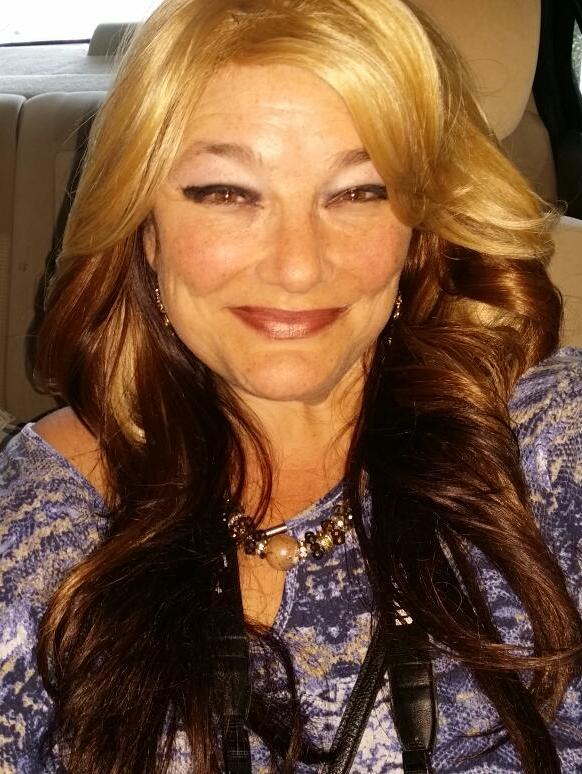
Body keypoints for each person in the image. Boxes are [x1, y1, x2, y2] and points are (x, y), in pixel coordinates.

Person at [1, 0, 581, 771]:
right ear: (143, 225)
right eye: (227, 193)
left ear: (419, 230)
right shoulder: (48, 513)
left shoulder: (547, 438)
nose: (299, 267)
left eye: (360, 192)